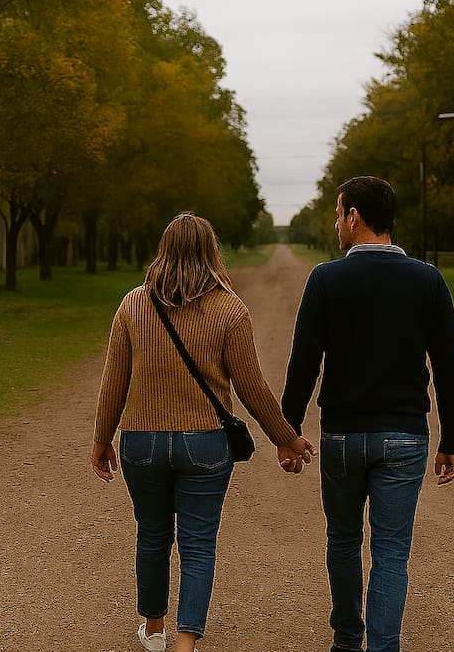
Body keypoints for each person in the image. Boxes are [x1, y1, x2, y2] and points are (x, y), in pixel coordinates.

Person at [91, 211, 317, 652]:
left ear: (164, 251)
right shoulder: (230, 309)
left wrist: (102, 440)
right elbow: (252, 387)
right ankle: (185, 643)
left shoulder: (132, 305)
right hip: (206, 442)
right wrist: (286, 438)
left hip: (141, 441)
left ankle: (154, 631)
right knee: (198, 544)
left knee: (152, 534)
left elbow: (113, 381)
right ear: (212, 252)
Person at [281, 176, 454, 652]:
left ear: (354, 217)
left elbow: (304, 363)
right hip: (404, 437)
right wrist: (452, 440)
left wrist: (288, 430)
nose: (335, 223)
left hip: (342, 436)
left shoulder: (326, 279)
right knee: (391, 553)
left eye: (337, 213)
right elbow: (449, 368)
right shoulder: (427, 280)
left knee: (343, 542)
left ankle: (347, 640)